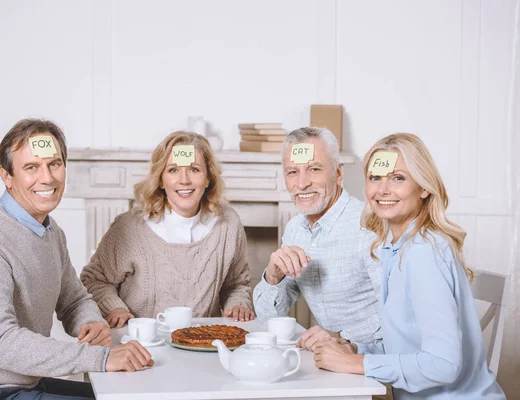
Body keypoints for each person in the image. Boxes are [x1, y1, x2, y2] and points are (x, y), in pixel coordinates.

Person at [0, 119, 153, 400]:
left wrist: (90, 321)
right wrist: (101, 358)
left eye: (54, 164)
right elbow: (0, 342)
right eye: (31, 167)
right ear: (7, 176)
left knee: (133, 393)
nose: (47, 178)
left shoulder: (51, 231)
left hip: (24, 383)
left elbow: (74, 301)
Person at [312, 133, 506, 399]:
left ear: (424, 187)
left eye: (398, 178)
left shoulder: (423, 252)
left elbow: (443, 365)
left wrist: (355, 364)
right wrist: (355, 349)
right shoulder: (398, 247)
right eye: (375, 178)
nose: (383, 190)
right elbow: (409, 345)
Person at [80, 131, 254, 328]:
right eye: (173, 170)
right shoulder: (130, 226)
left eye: (194, 169)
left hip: (202, 343)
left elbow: (236, 285)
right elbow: (94, 280)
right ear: (161, 179)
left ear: (208, 178)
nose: (184, 180)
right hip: (142, 344)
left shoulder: (228, 224)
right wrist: (114, 308)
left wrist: (238, 304)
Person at [253, 127, 381, 346]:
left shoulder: (369, 226)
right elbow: (268, 318)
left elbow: (400, 313)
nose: (301, 184)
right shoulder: (294, 230)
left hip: (379, 364)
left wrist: (341, 336)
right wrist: (273, 277)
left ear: (338, 173)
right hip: (330, 360)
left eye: (313, 169)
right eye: (292, 172)